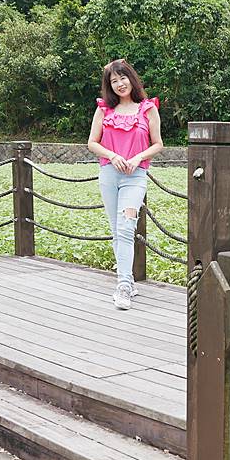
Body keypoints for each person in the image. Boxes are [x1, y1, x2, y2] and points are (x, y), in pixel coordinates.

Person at [87, 59, 164, 310]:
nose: (120, 84)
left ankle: (122, 286)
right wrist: (113, 156)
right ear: (109, 86)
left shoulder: (148, 109)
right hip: (109, 175)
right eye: (114, 81)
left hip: (135, 177)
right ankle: (128, 281)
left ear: (132, 78)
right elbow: (92, 143)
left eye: (123, 78)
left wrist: (137, 157)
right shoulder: (104, 110)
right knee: (116, 229)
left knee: (126, 227)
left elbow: (158, 144)